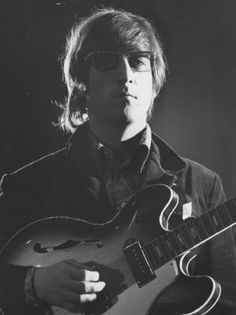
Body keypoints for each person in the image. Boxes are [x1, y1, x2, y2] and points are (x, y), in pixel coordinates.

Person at [0, 7, 236, 315]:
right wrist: (32, 284)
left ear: (154, 82)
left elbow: (228, 295)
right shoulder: (27, 182)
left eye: (138, 61)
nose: (125, 76)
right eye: (106, 61)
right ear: (80, 83)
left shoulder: (203, 183)